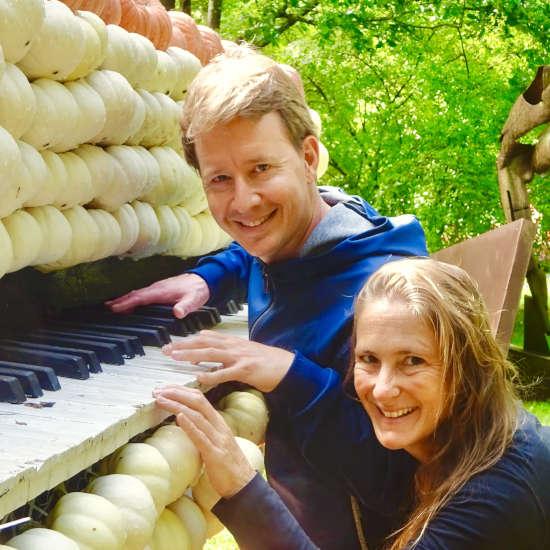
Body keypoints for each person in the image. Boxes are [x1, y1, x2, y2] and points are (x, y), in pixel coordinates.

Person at [106, 46, 428, 549]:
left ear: (308, 157)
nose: (243, 201)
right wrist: (211, 277)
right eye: (220, 179)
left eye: (260, 169)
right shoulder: (303, 230)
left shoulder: (384, 302)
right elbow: (261, 250)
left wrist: (288, 373)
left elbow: (402, 484)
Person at [154, 257, 550, 550]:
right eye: (369, 360)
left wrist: (242, 488)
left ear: (467, 363)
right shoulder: (464, 434)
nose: (381, 390)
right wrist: (288, 373)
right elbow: (373, 467)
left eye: (413, 361)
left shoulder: (493, 498)